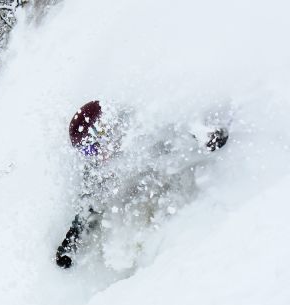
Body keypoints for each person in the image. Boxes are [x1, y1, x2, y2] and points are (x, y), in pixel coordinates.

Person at [55, 101, 229, 269]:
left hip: (190, 175)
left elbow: (179, 125)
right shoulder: (98, 170)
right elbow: (88, 207)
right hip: (153, 184)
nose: (95, 157)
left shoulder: (141, 124)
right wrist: (71, 244)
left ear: (104, 131)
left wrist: (206, 135)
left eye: (93, 149)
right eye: (87, 153)